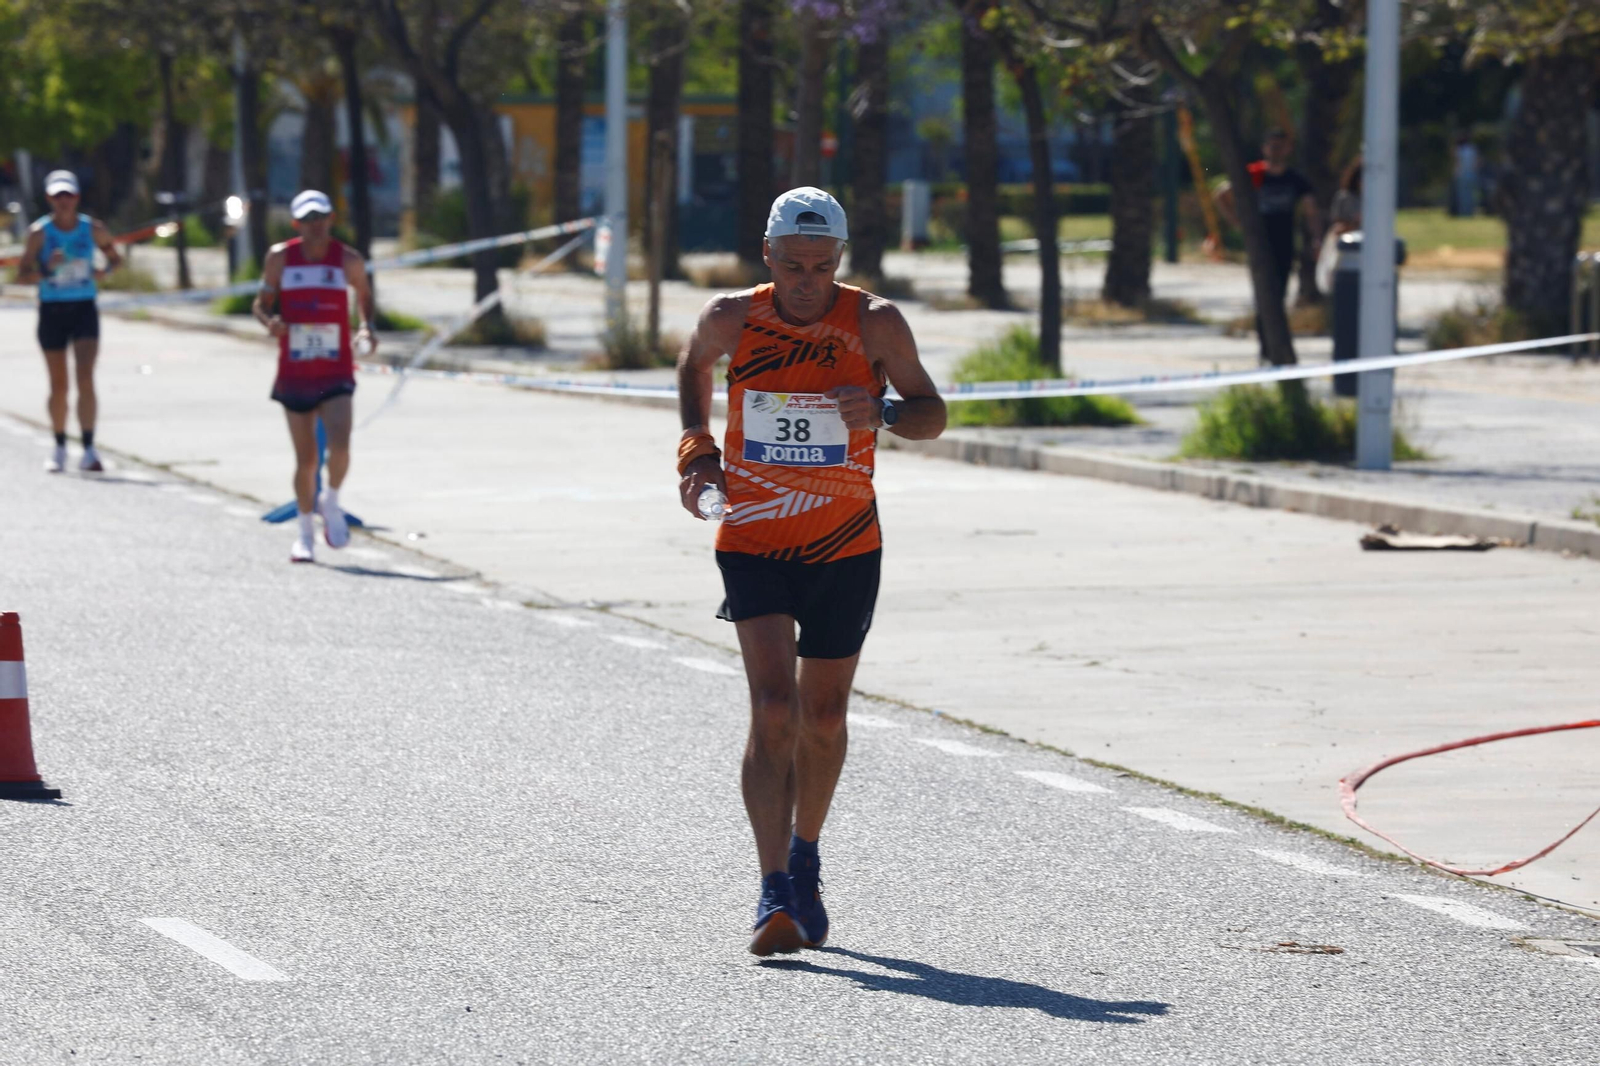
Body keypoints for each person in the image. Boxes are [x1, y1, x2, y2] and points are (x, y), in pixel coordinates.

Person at [676, 187, 946, 956]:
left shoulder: (874, 322)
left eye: (821, 267)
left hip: (846, 544)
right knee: (771, 708)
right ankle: (771, 891)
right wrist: (698, 450)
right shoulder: (733, 316)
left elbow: (933, 412)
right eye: (792, 266)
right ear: (767, 256)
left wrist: (885, 414)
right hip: (754, 537)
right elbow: (693, 365)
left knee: (822, 719)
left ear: (840, 261)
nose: (805, 281)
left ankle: (806, 856)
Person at [252, 189, 376, 564]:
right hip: (295, 370)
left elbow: (365, 297)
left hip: (336, 367)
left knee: (340, 446)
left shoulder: (347, 259)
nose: (315, 226)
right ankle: (304, 532)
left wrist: (366, 329)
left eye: (320, 218)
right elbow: (260, 303)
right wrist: (269, 323)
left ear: (330, 219)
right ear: (296, 224)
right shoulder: (280, 257)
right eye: (307, 220)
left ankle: (331, 501)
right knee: (305, 460)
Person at [13, 170, 122, 473]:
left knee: (85, 377)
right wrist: (47, 270)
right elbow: (21, 275)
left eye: (69, 195)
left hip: (83, 307)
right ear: (49, 198)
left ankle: (88, 448)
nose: (64, 201)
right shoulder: (40, 233)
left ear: (77, 198)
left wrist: (106, 272)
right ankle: (59, 444)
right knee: (59, 384)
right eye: (57, 195)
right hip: (52, 310)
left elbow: (115, 259)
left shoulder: (93, 229)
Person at [1216, 129, 1321, 362]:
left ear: (1288, 149)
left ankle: (1277, 346)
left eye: (1280, 146)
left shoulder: (1295, 179)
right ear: (1264, 148)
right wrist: (1237, 222)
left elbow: (1310, 209)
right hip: (1259, 243)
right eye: (1272, 146)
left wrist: (1316, 238)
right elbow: (1221, 194)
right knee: (1263, 294)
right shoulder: (1255, 173)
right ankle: (1265, 346)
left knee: (1279, 294)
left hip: (1284, 243)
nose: (1276, 151)